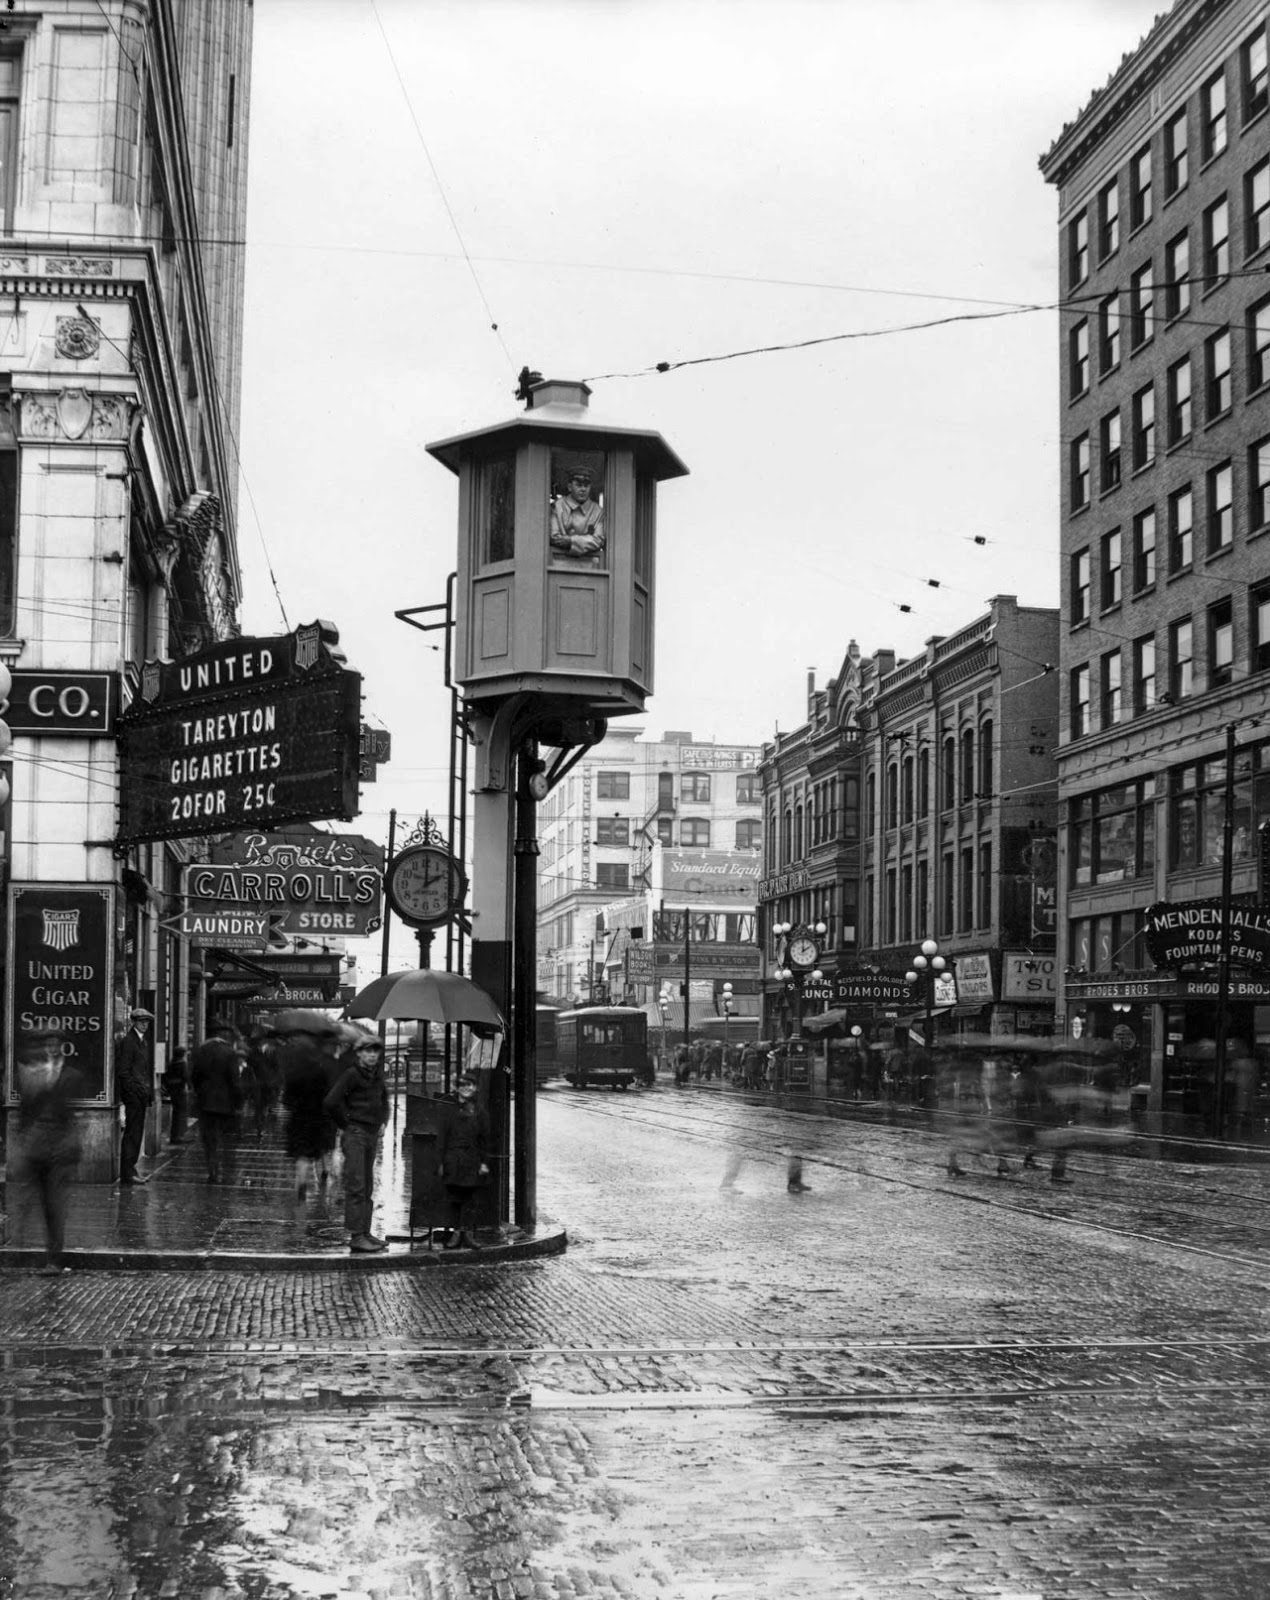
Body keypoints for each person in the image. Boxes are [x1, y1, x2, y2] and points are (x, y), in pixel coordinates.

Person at [10, 1029, 84, 1273]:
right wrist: (22, 1140)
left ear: (62, 1046)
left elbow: (74, 1115)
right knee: (35, 1202)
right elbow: (25, 1111)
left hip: (60, 1150)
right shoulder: (33, 1074)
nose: (51, 1048)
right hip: (37, 1149)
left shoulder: (73, 1075)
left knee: (55, 1204)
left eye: (55, 1044)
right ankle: (25, 1249)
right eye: (48, 1044)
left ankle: (54, 1258)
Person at [323, 1032, 390, 1253]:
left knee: (368, 1186)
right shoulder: (351, 1075)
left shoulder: (377, 1076)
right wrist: (346, 1124)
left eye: (375, 1051)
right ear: (359, 1054)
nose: (372, 1055)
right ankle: (356, 1236)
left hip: (371, 1134)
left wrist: (383, 1122)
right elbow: (331, 1101)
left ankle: (366, 1231)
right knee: (357, 1185)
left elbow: (384, 1100)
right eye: (367, 1051)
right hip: (356, 1134)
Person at [436, 1073, 491, 1249]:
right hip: (453, 1158)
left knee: (470, 1198)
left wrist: (484, 1162)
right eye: (463, 1085)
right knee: (454, 1198)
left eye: (470, 1085)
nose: (466, 1088)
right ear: (457, 1087)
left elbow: (485, 1138)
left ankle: (467, 1234)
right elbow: (442, 1136)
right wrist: (441, 1162)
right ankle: (455, 1234)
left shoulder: (479, 1110)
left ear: (475, 1088)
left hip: (472, 1159)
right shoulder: (448, 1108)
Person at [189, 1019, 243, 1184]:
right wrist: (239, 1103)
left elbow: (194, 1077)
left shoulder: (200, 1050)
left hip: (205, 1103)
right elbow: (235, 1081)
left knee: (209, 1139)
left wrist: (199, 1094)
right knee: (225, 1138)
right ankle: (225, 1169)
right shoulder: (229, 1053)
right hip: (226, 1104)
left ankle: (213, 1170)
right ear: (224, 1035)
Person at [115, 1007, 154, 1186]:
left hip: (140, 1094)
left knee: (136, 1133)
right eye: (141, 1021)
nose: (145, 1024)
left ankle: (131, 1169)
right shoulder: (129, 1042)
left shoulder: (142, 1042)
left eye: (147, 1022)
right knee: (132, 1133)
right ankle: (127, 1172)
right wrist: (134, 1091)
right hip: (134, 1096)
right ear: (134, 1022)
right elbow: (123, 1071)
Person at [549, 465, 605, 559]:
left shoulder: (597, 511)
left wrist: (571, 541)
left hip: (589, 565)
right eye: (578, 485)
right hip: (558, 563)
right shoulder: (557, 506)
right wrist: (585, 541)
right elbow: (554, 536)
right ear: (570, 487)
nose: (583, 489)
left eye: (586, 486)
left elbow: (598, 539)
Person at [163, 1046, 191, 1146]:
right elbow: (186, 1077)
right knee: (180, 1114)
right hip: (180, 1091)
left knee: (176, 1114)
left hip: (173, 1092)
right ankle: (178, 1136)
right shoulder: (182, 1064)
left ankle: (174, 1136)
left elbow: (166, 1077)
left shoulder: (171, 1064)